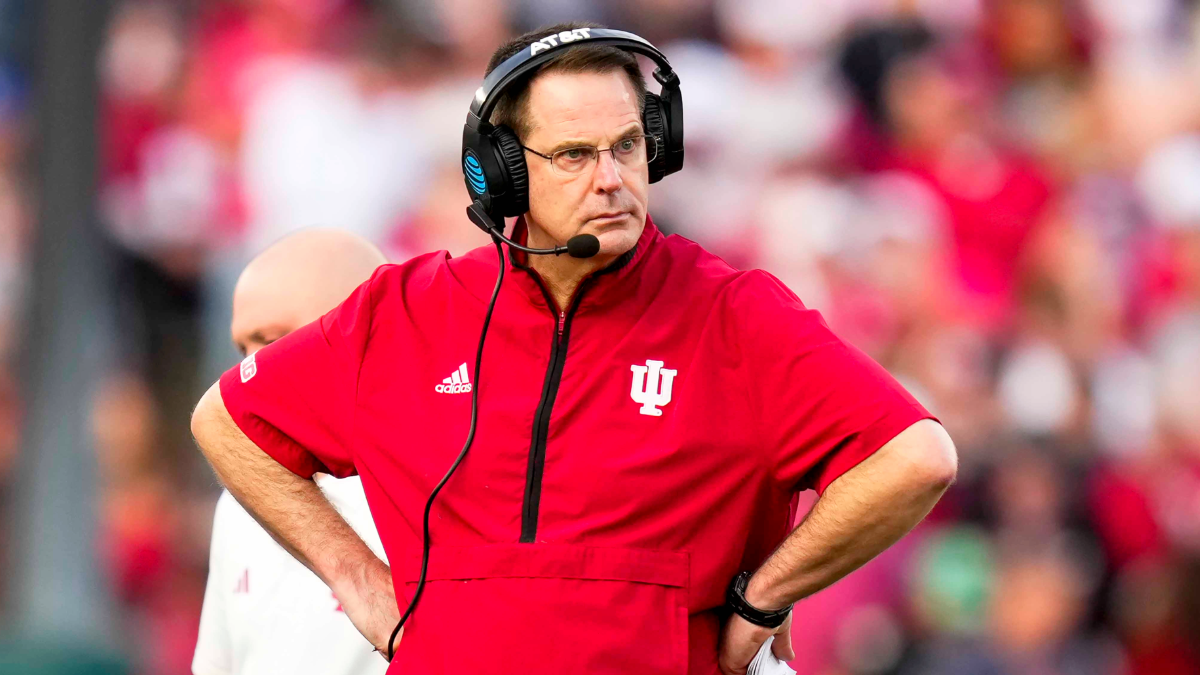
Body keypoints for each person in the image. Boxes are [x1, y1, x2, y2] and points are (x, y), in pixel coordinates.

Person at [190, 22, 958, 675]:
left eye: (628, 145)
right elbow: (227, 422)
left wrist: (769, 590)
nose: (613, 178)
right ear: (502, 170)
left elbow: (915, 456)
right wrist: (360, 582)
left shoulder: (737, 314)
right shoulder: (407, 309)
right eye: (573, 154)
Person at [192, 229, 390, 675]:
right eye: (242, 347)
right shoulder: (236, 504)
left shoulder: (434, 486)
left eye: (271, 338)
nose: (246, 368)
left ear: (361, 334)